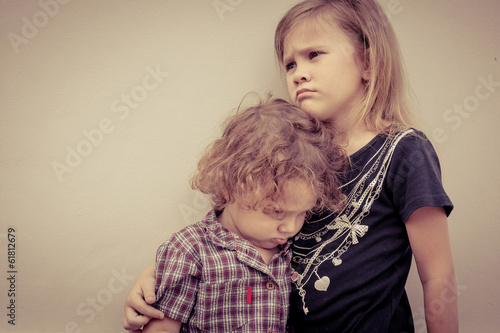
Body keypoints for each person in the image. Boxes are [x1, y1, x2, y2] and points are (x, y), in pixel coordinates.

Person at [124, 1, 458, 332]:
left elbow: (437, 275)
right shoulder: (290, 150)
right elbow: (234, 228)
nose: (299, 73)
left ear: (368, 62)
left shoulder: (406, 151)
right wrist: (163, 275)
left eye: (314, 54)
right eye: (289, 64)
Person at [139, 97, 345, 333]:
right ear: (231, 187)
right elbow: (161, 328)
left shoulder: (295, 249)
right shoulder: (189, 250)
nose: (290, 227)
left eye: (303, 213)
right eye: (277, 211)